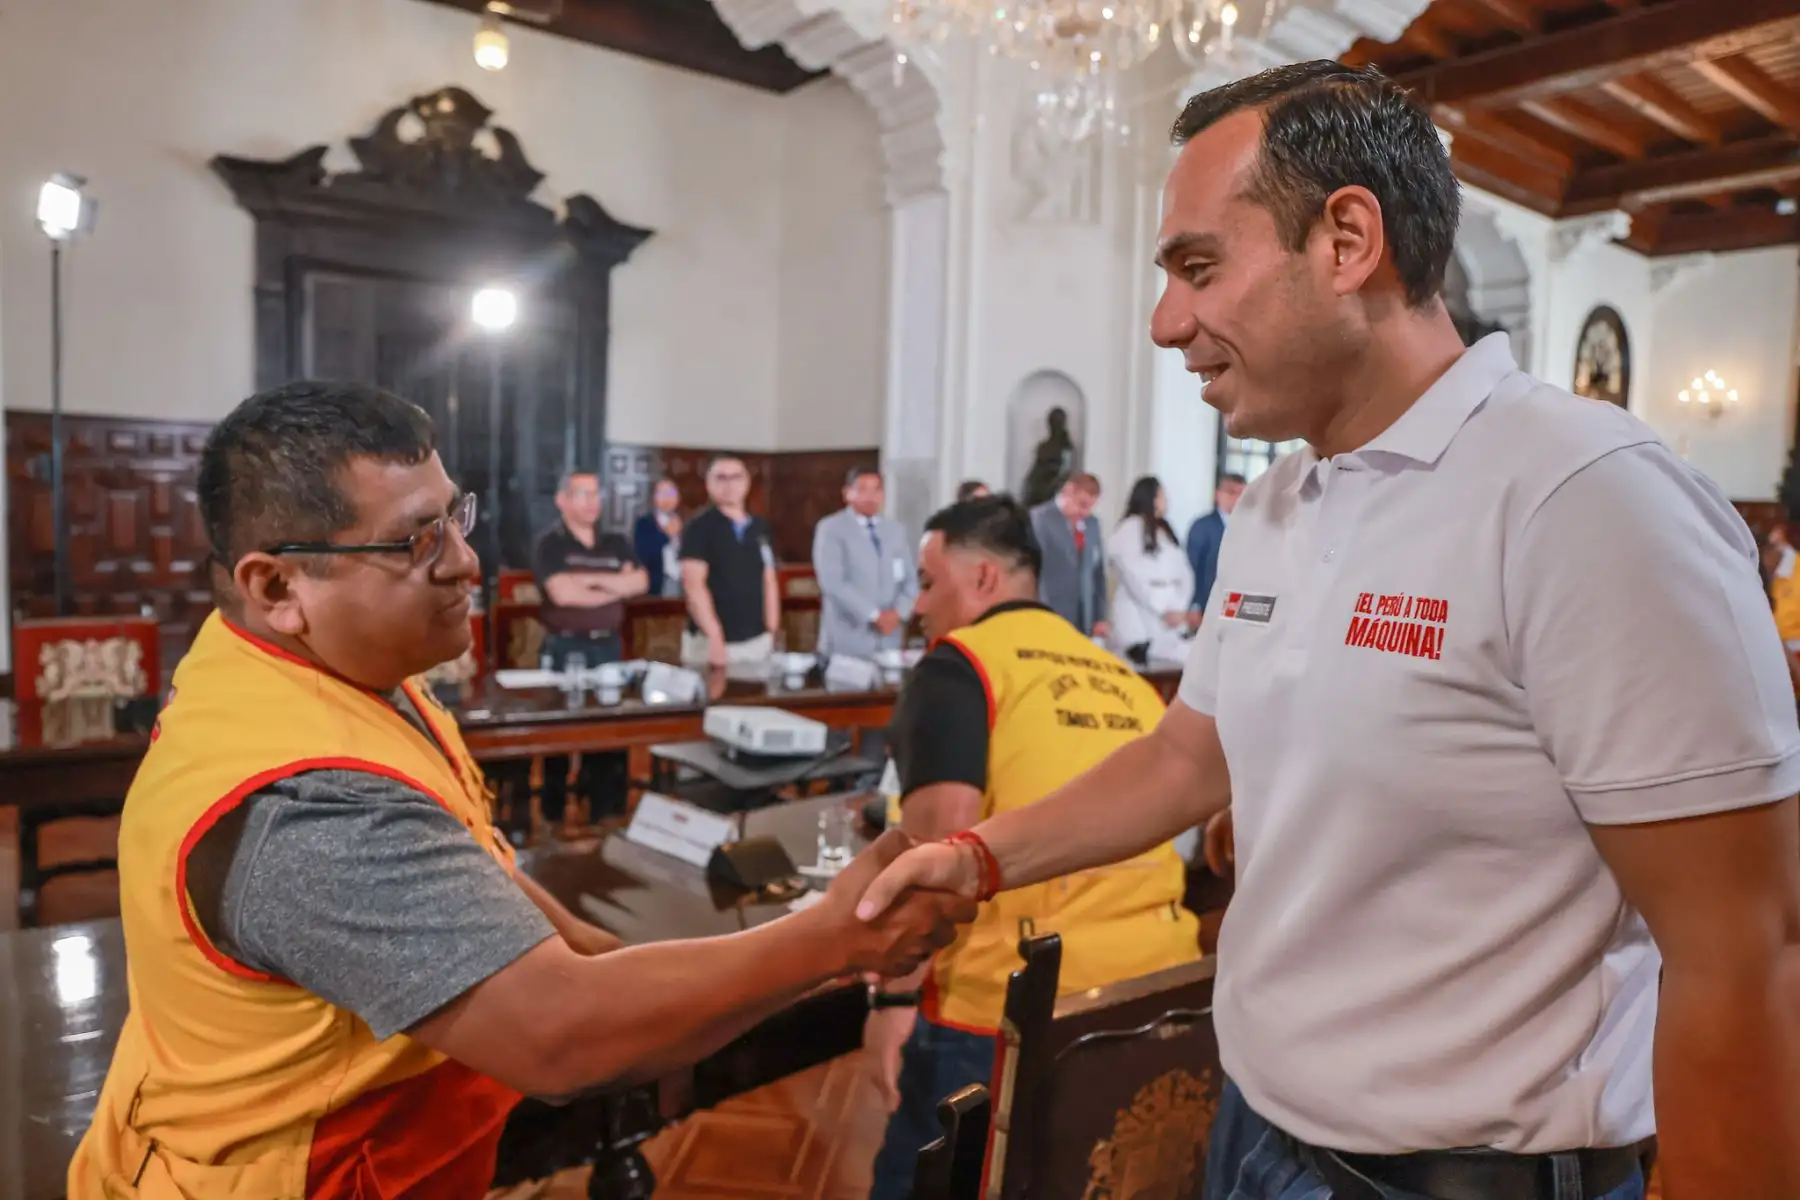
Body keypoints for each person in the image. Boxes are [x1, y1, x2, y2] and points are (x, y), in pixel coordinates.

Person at [854, 61, 1800, 1199]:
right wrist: (975, 855)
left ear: (1348, 241)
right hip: (1253, 1134)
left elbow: (1747, 952)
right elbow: (1183, 759)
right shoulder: (1273, 504)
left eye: (1198, 268)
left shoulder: (1583, 495)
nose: (1167, 324)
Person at [68, 382, 971, 1198]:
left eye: (456, 516)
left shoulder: (345, 680)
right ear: (278, 585)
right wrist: (831, 935)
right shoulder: (307, 801)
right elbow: (560, 1039)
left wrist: (608, 963)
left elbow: (483, 865)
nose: (467, 563)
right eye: (418, 541)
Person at [864, 495, 1198, 1200]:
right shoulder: (1125, 680)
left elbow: (936, 855)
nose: (920, 605)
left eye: (928, 581)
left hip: (1005, 1013)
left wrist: (889, 1006)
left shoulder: (961, 666)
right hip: (1153, 999)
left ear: (982, 579)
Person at [530, 470, 647, 828]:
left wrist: (589, 580)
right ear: (562, 500)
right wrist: (615, 585)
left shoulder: (615, 541)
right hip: (565, 646)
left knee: (608, 731)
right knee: (559, 733)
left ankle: (606, 815)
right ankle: (552, 818)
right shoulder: (550, 543)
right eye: (583, 494)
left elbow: (640, 582)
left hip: (608, 646)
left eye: (596, 494)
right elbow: (562, 594)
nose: (592, 502)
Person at [679, 454, 781, 666]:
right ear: (709, 483)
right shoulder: (698, 528)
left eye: (736, 477)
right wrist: (715, 637)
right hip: (711, 642)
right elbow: (694, 587)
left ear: (747, 482)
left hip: (756, 640)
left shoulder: (760, 527)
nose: (729, 484)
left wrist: (772, 629)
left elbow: (769, 579)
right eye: (721, 478)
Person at [813, 467, 917, 661]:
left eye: (876, 490)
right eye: (863, 489)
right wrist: (874, 615)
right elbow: (833, 583)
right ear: (847, 493)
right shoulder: (831, 529)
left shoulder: (895, 530)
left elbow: (910, 581)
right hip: (847, 641)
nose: (871, 496)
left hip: (889, 640)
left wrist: (898, 613)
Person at [1107, 475, 1197, 665]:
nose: (1166, 501)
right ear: (1151, 498)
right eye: (1162, 495)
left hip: (1172, 618)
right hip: (1141, 617)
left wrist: (1180, 608)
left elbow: (1185, 573)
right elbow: (1134, 577)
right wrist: (1163, 609)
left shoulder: (1165, 530)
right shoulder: (1128, 529)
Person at [1028, 473, 1108, 639]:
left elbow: (1097, 573)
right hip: (1048, 613)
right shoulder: (1039, 519)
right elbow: (1033, 570)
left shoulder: (1092, 524)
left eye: (1091, 506)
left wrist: (1100, 616)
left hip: (1083, 620)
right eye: (1082, 504)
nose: (1086, 512)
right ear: (1068, 491)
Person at [1185, 472, 1243, 615]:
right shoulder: (1202, 526)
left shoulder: (1248, 528)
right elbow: (1191, 567)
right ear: (1218, 494)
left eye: (1242, 493)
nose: (1238, 499)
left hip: (1236, 605)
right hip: (1206, 605)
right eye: (1232, 493)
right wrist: (1194, 604)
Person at [632, 476, 684, 596]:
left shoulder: (685, 522)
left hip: (683, 580)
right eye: (661, 493)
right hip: (658, 582)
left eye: (671, 492)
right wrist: (666, 535)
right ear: (654, 498)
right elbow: (643, 554)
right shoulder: (644, 523)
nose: (667, 497)